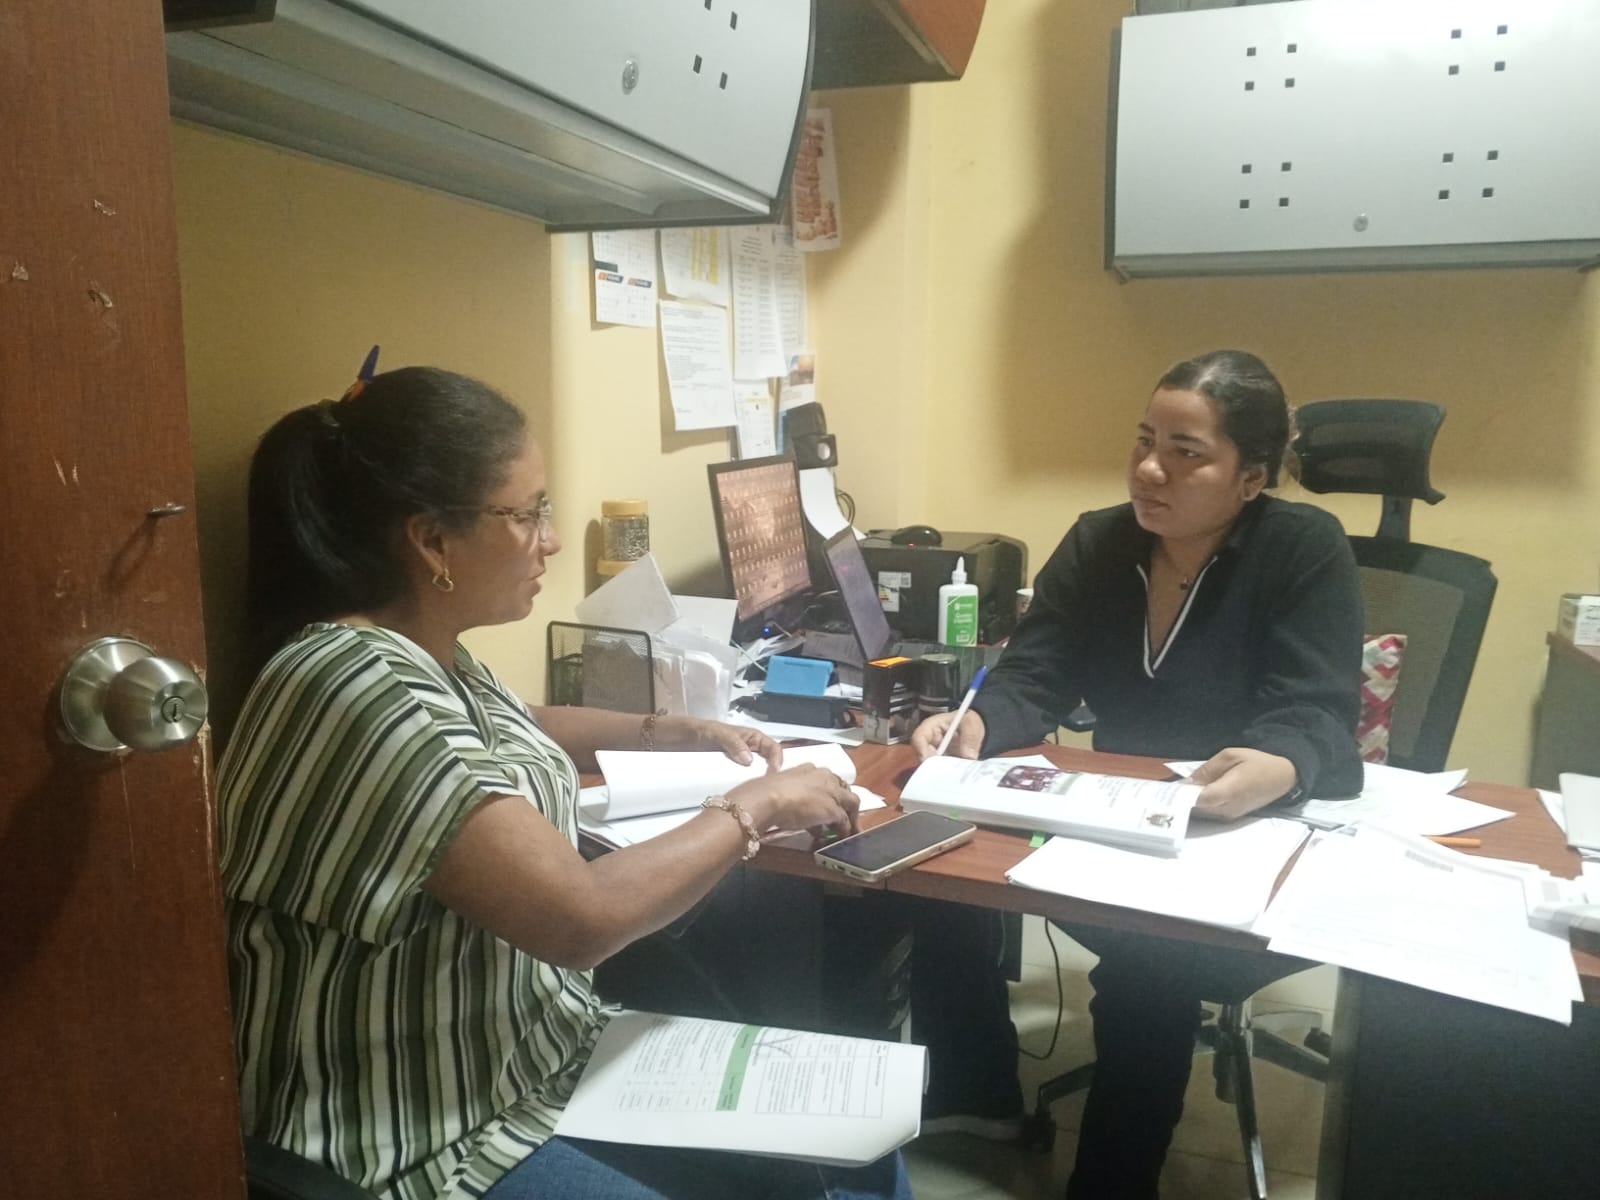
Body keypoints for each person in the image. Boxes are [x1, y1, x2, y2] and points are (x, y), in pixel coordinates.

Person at [217, 363, 913, 1200]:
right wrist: (755, 805)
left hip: (539, 1056)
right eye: (527, 514)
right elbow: (582, 921)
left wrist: (666, 728)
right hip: (424, 1131)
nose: (548, 540)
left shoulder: (423, 654)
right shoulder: (351, 682)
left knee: (862, 1151)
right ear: (432, 541)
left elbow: (520, 720)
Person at [909, 349, 1363, 1198]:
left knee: (1149, 970)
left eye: (1187, 453)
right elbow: (1034, 674)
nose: (1151, 469)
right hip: (1117, 819)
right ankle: (975, 1094)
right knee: (939, 864)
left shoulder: (1302, 548)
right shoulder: (1100, 541)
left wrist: (1280, 761)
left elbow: (1317, 708)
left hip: (1241, 833)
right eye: (1146, 441)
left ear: (1250, 478)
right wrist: (979, 722)